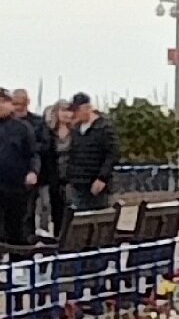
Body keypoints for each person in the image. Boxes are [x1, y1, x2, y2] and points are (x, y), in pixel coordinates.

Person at [0, 88, 42, 256]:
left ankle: (18, 265)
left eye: (4, 102)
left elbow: (34, 154)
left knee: (16, 228)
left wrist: (33, 172)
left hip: (17, 187)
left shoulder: (22, 128)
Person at [63, 93, 118, 218]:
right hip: (78, 184)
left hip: (97, 185)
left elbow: (112, 154)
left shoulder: (104, 127)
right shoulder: (76, 130)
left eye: (78, 110)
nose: (75, 114)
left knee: (99, 219)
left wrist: (102, 178)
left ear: (87, 108)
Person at [43, 101, 74, 234]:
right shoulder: (49, 133)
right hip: (55, 178)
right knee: (57, 212)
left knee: (71, 212)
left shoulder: (76, 133)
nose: (66, 114)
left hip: (72, 178)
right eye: (63, 110)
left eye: (68, 110)